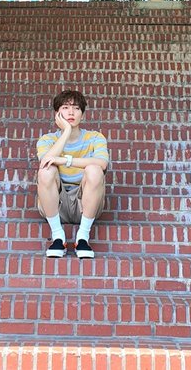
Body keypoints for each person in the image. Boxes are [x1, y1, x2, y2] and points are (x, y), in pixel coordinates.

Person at [36, 89, 109, 259]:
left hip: (86, 203)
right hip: (56, 204)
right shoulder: (47, 139)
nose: (71, 112)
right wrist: (67, 131)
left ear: (82, 114)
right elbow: (45, 162)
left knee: (94, 169)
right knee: (46, 170)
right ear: (57, 114)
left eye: (76, 108)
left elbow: (102, 163)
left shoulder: (95, 137)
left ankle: (82, 238)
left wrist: (65, 160)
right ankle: (58, 237)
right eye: (65, 107)